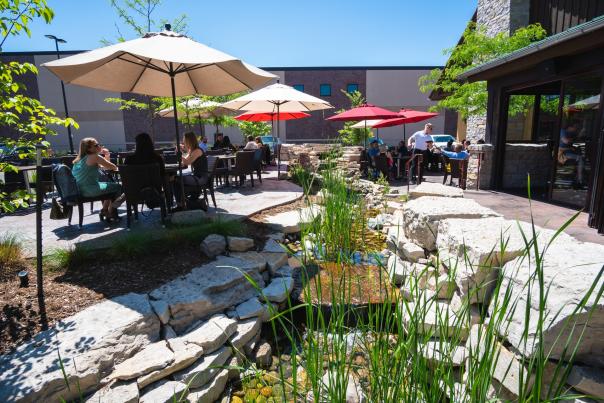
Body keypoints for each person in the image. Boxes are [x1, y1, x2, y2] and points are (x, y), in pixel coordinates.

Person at [72, 137, 122, 222]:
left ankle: (105, 210)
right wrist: (106, 158)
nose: (99, 146)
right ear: (89, 149)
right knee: (118, 187)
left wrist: (106, 156)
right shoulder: (94, 157)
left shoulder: (79, 160)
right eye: (96, 145)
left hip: (79, 190)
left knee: (110, 186)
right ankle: (109, 212)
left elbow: (104, 167)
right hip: (90, 189)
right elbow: (112, 167)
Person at [173, 132, 208, 208]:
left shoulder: (197, 151)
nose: (183, 142)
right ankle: (183, 203)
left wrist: (180, 154)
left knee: (176, 180)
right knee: (176, 180)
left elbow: (188, 162)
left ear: (189, 141)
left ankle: (180, 205)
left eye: (184, 140)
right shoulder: (192, 150)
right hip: (197, 176)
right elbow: (184, 163)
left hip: (201, 178)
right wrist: (180, 153)